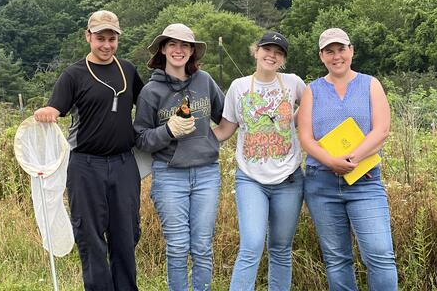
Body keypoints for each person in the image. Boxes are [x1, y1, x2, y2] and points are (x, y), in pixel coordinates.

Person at [33, 10, 144, 291]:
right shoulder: (74, 74)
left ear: (118, 39)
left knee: (125, 236)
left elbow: (150, 103)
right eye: (100, 38)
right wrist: (47, 111)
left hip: (123, 165)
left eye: (112, 39)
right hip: (85, 166)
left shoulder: (128, 70)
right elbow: (55, 108)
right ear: (88, 37)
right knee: (91, 238)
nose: (106, 45)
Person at [297, 28, 398, 290]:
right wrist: (332, 162)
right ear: (321, 56)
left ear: (351, 50)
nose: (336, 56)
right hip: (322, 184)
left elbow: (382, 129)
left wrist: (353, 159)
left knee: (380, 255)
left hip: (364, 180)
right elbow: (306, 138)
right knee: (337, 259)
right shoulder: (312, 90)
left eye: (341, 49)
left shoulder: (370, 84)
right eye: (329, 51)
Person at [133, 23, 224, 291]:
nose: (179, 50)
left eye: (185, 45)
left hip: (207, 173)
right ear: (162, 49)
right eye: (172, 44)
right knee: (177, 246)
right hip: (169, 175)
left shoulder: (204, 81)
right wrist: (168, 130)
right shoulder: (151, 92)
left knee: (202, 246)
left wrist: (209, 138)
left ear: (192, 52)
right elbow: (140, 138)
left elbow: (226, 116)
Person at [213, 31, 306, 291]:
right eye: (267, 49)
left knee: (280, 248)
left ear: (283, 59)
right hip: (250, 179)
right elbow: (224, 129)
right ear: (256, 51)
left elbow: (313, 109)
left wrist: (295, 120)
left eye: (278, 52)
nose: (271, 55)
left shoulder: (293, 83)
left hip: (289, 178)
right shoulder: (239, 87)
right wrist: (189, 139)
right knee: (252, 245)